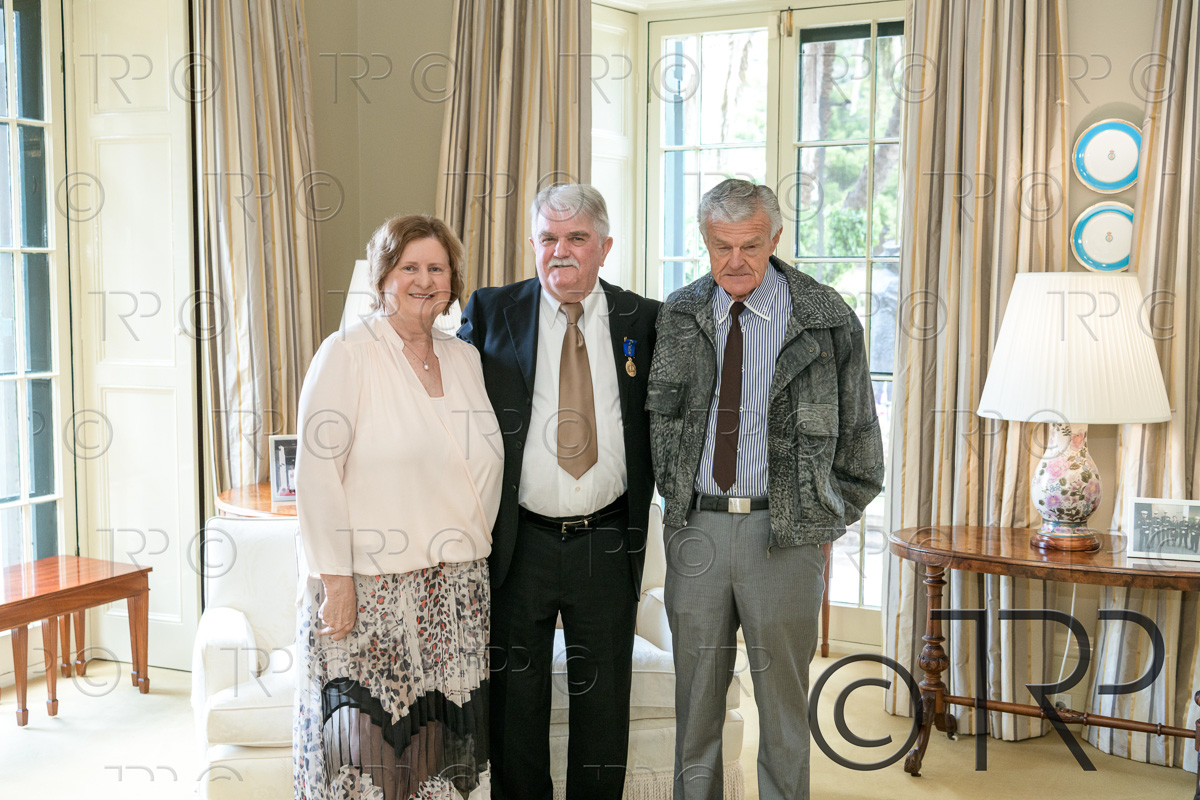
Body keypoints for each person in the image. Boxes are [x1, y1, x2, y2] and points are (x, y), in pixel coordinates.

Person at [646, 179, 885, 800]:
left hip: (783, 537)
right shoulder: (677, 315)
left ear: (775, 238)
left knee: (782, 708)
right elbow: (651, 427)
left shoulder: (825, 317)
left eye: (749, 245)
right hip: (695, 531)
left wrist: (817, 519)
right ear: (704, 242)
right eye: (720, 246)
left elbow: (862, 447)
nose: (735, 261)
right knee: (696, 705)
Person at [458, 183, 660, 800]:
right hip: (520, 542)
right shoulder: (491, 311)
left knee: (603, 707)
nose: (561, 250)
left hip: (607, 540)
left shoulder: (645, 319)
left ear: (604, 247)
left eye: (576, 237)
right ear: (532, 243)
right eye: (548, 237)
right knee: (515, 707)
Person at [293, 215, 504, 799]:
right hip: (371, 595)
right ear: (383, 276)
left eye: (437, 268)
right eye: (409, 267)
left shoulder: (464, 357)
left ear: (452, 280)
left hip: (456, 594)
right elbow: (316, 472)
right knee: (372, 765)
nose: (424, 280)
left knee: (442, 763)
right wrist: (336, 580)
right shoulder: (347, 353)